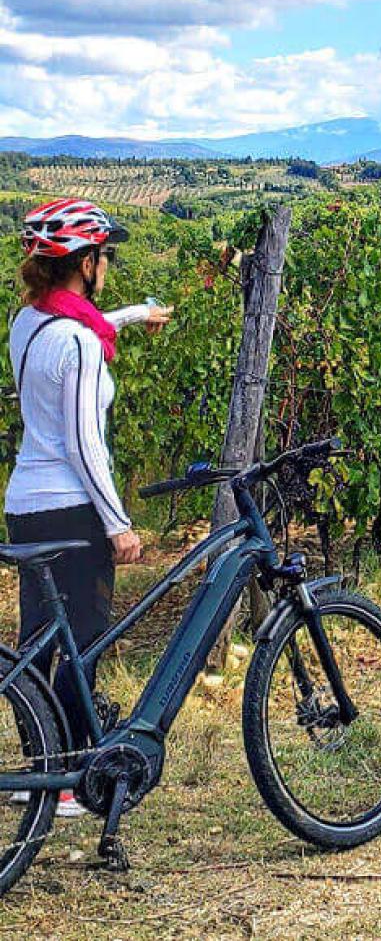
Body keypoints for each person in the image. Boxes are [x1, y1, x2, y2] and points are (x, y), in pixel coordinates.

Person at [6, 199, 172, 816]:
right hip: (73, 509)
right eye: (104, 256)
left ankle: (37, 769)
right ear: (86, 262)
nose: (109, 265)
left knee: (37, 644)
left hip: (26, 504)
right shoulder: (75, 343)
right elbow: (84, 442)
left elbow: (84, 326)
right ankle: (74, 779)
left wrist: (131, 317)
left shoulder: (31, 321)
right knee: (83, 645)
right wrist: (117, 522)